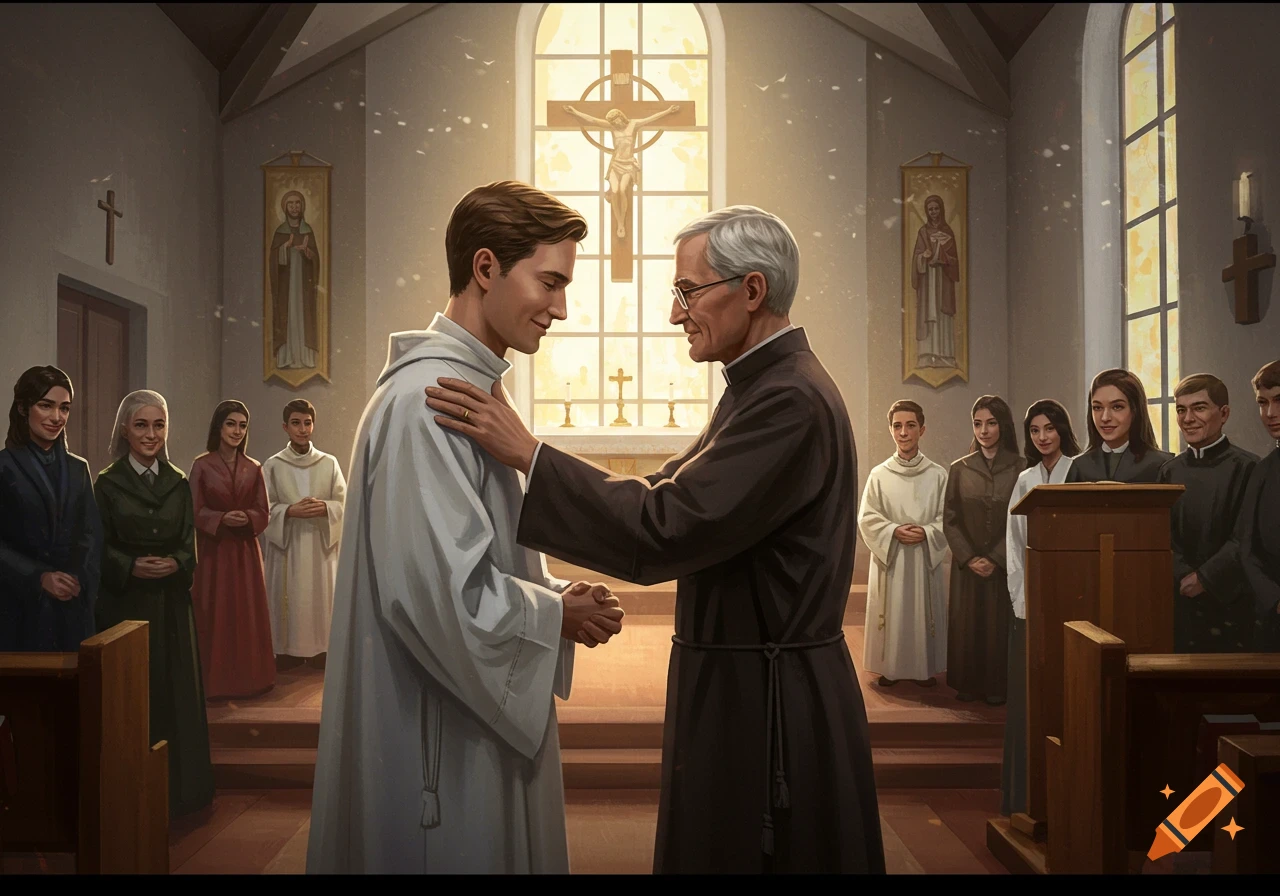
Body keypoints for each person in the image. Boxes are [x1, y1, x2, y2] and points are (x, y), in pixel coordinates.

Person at [428, 204, 886, 874]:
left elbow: (666, 524)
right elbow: (668, 490)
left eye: (687, 292)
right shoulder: (761, 387)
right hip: (745, 681)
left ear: (751, 290)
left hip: (768, 704)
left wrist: (532, 454)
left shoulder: (789, 400)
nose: (676, 314)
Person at [307, 181, 625, 874]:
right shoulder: (431, 405)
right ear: (486, 269)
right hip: (440, 744)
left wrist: (555, 593)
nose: (562, 308)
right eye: (550, 281)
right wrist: (555, 617)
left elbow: (465, 550)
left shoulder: (470, 391)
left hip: (460, 718)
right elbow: (438, 597)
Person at [94, 390, 214, 817]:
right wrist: (129, 565)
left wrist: (177, 563)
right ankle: (130, 799)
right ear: (124, 429)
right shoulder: (106, 484)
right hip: (125, 607)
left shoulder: (178, 482)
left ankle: (182, 796)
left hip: (171, 609)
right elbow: (97, 546)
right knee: (133, 697)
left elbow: (188, 542)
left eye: (158, 425)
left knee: (174, 694)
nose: (151, 434)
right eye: (141, 425)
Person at [1003, 399, 1080, 817]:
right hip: (1032, 597)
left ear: (1062, 430)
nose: (1043, 437)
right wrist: (1022, 598)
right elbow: (1014, 543)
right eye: (1035, 430)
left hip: (1071, 592)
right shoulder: (1025, 478)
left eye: (1050, 428)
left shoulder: (1078, 470)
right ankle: (1026, 798)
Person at [0, 366, 100, 651]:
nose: (57, 418)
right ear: (23, 408)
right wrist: (38, 577)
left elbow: (90, 536)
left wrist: (79, 580)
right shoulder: (3, 467)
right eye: (46, 406)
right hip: (18, 611)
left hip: (72, 611)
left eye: (64, 408)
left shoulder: (78, 469)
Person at [1157, 374, 1259, 652]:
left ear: (1223, 413)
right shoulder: (1169, 471)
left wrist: (1205, 578)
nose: (1188, 418)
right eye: (1181, 409)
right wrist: (1182, 575)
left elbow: (1246, 536)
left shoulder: (1249, 468)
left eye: (1199, 408)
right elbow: (1161, 533)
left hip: (1231, 603)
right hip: (1179, 602)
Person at [858, 399, 949, 689]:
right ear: (890, 430)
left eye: (910, 426)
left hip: (923, 557)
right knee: (894, 612)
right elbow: (867, 518)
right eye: (897, 426)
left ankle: (924, 671)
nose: (904, 432)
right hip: (893, 559)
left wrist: (928, 532)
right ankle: (891, 669)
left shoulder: (938, 475)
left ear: (922, 430)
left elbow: (947, 518)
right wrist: (893, 530)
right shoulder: (879, 475)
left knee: (921, 613)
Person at [190, 400, 276, 698]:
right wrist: (221, 518)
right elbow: (194, 509)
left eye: (242, 425)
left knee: (245, 612)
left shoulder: (254, 468)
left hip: (244, 552)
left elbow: (264, 511)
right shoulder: (202, 465)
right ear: (219, 426)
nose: (237, 431)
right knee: (215, 610)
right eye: (231, 424)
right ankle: (215, 682)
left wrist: (248, 517)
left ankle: (250, 680)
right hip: (214, 551)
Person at [944, 395, 1021, 705]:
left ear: (1002, 425)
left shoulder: (1021, 467)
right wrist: (969, 557)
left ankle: (996, 686)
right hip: (967, 565)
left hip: (1003, 564)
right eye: (978, 424)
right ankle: (967, 684)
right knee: (968, 624)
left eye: (991, 423)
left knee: (998, 626)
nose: (984, 430)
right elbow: (950, 519)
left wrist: (995, 558)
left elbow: (1021, 519)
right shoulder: (959, 468)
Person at [261, 399, 346, 668]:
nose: (302, 429)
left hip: (320, 547)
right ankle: (286, 653)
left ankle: (322, 651)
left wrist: (326, 507)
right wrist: (288, 512)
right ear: (285, 427)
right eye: (296, 423)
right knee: (289, 600)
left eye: (307, 423)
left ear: (313, 425)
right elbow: (263, 508)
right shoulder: (273, 465)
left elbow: (345, 504)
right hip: (289, 547)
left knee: (320, 598)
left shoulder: (329, 463)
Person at [561, 103, 682, 239]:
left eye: (616, 120)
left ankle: (621, 223)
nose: (616, 123)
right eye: (613, 122)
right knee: (614, 191)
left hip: (628, 164)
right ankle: (619, 222)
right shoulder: (612, 127)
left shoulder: (633, 124)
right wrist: (575, 112)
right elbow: (593, 120)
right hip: (616, 163)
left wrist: (668, 111)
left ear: (621, 117)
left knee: (622, 190)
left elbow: (651, 119)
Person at [1236, 360, 1280, 652]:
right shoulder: (1262, 471)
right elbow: (1247, 547)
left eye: (1279, 400)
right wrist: (1274, 599)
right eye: (1262, 403)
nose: (1270, 414)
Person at [1066, 368, 1173, 483]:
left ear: (1135, 410)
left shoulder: (1161, 464)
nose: (1105, 417)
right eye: (1097, 408)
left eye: (1117, 407)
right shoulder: (1079, 466)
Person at [271, 190, 320, 369]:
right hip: (286, 287)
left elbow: (316, 260)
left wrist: (307, 252)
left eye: (297, 203)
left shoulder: (308, 231)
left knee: (303, 315)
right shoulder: (280, 232)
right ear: (285, 207)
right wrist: (285, 247)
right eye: (290, 203)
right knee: (288, 315)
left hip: (303, 286)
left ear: (302, 206)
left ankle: (304, 356)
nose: (294, 207)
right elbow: (273, 260)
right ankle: (287, 355)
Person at [912, 194, 960, 369]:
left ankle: (945, 355)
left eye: (936, 208)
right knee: (928, 316)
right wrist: (922, 257)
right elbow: (915, 259)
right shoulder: (922, 232)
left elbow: (955, 261)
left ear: (941, 209)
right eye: (930, 209)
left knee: (942, 318)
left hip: (943, 281)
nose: (933, 212)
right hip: (928, 281)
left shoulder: (948, 233)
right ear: (926, 211)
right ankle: (926, 354)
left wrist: (945, 258)